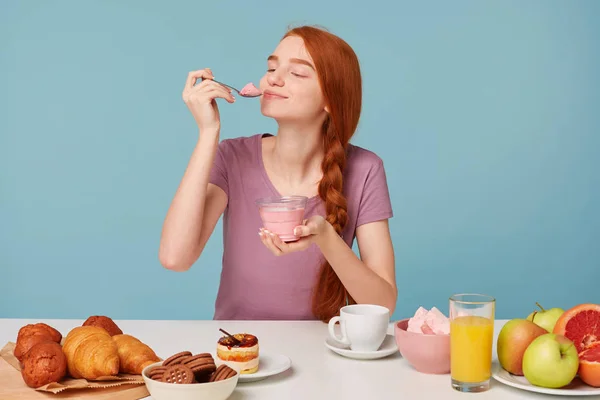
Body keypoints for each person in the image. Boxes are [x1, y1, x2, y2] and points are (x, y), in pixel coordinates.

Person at [159, 25, 397, 323]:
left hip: (326, 354)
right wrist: (209, 132)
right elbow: (175, 258)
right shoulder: (233, 157)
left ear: (330, 100)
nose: (273, 77)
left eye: (297, 73)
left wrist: (326, 237)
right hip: (240, 353)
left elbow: (384, 304)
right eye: (272, 67)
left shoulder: (365, 169)